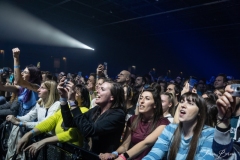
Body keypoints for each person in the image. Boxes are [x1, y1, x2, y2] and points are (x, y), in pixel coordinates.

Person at [16, 83, 90, 157]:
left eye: (75, 93)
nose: (71, 94)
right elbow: (49, 122)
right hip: (60, 152)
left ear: (83, 99)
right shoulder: (65, 110)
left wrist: (43, 141)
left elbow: (72, 134)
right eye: (71, 91)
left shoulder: (84, 111)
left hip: (72, 154)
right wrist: (28, 134)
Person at [100, 87, 170, 160]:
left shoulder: (163, 123)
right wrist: (114, 154)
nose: (141, 101)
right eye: (141, 98)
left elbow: (146, 143)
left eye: (147, 98)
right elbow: (124, 146)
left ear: (155, 105)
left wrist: (123, 157)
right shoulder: (133, 119)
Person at [60, 80, 126, 154]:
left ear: (112, 97)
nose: (97, 91)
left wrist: (72, 102)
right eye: (99, 88)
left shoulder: (117, 115)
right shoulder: (96, 110)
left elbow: (89, 131)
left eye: (102, 89)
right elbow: (70, 123)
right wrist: (63, 99)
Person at [142, 92, 215, 160]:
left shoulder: (209, 134)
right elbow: (154, 154)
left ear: (199, 112)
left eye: (190, 103)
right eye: (182, 101)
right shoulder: (170, 129)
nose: (183, 105)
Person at [5, 80, 61, 159]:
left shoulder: (57, 105)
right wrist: (16, 118)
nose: (38, 89)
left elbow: (44, 124)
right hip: (40, 137)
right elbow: (30, 116)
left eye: (42, 88)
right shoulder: (40, 101)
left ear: (50, 91)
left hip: (51, 143)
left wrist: (21, 123)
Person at [0, 48, 42, 117]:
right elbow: (1, 87)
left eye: (25, 72)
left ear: (32, 76)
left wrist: (16, 58)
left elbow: (18, 81)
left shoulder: (36, 87)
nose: (22, 74)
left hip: (26, 120)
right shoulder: (21, 88)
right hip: (18, 117)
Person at [212, 82, 240, 159]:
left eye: (231, 92)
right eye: (225, 93)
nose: (226, 96)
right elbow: (221, 155)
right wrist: (223, 118)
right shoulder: (220, 115)